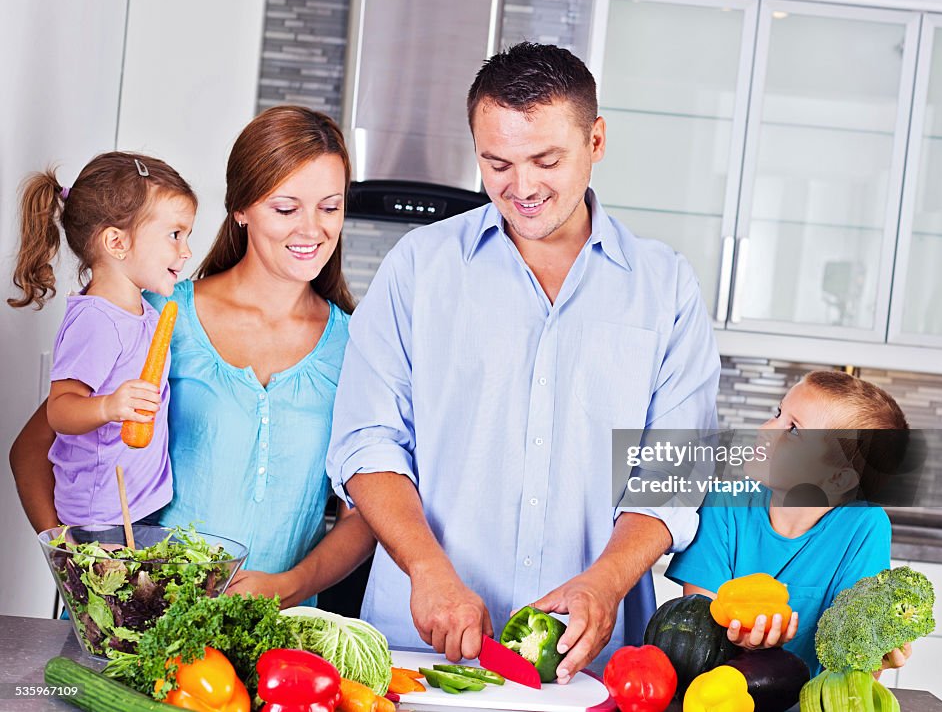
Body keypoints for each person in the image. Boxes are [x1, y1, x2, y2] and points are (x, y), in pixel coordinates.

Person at [327, 42, 720, 679]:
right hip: (420, 651)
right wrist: (427, 569)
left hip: (588, 665)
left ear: (595, 140)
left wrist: (605, 583)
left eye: (546, 160)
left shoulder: (665, 286)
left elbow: (672, 474)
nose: (523, 187)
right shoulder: (418, 269)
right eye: (497, 162)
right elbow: (365, 443)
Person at [10, 106, 376, 608]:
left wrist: (290, 586)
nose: (312, 230)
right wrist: (79, 577)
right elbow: (33, 449)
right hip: (144, 626)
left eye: (330, 207)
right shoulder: (158, 317)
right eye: (286, 209)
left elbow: (361, 515)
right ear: (241, 208)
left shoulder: (356, 348)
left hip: (276, 640)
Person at [665, 370, 913, 676]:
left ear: (838, 478)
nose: (766, 429)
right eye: (777, 413)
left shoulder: (864, 527)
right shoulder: (723, 504)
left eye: (793, 429)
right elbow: (697, 632)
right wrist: (739, 643)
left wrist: (875, 657)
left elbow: (856, 660)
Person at [8, 152, 196, 526]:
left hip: (134, 509)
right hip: (99, 518)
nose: (186, 251)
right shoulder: (96, 320)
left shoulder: (144, 312)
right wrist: (109, 407)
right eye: (175, 235)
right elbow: (60, 409)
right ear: (117, 242)